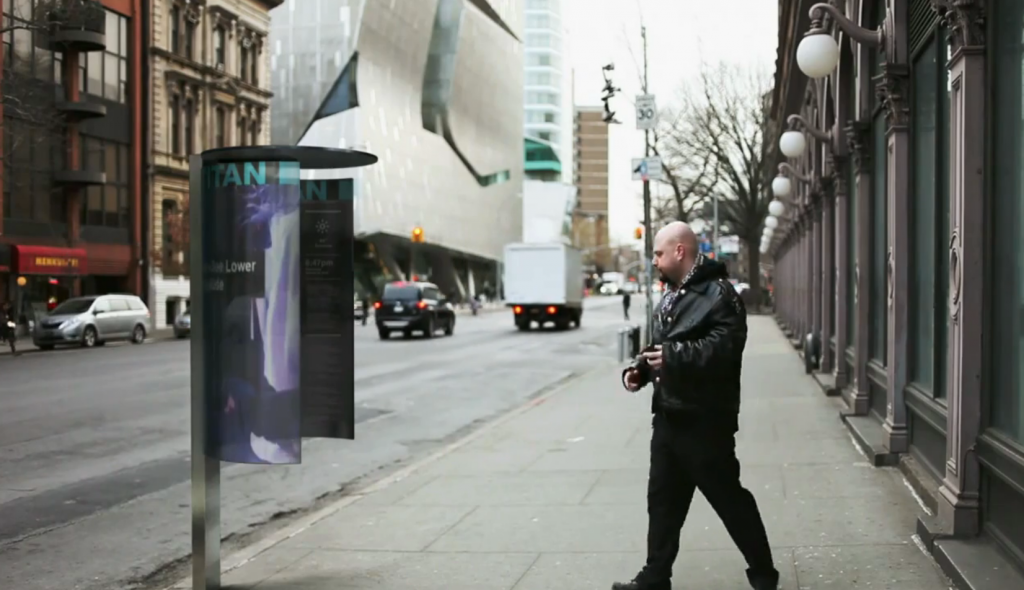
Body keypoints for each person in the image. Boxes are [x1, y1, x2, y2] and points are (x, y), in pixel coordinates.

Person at [615, 221, 777, 590]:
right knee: (662, 502)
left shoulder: (720, 295)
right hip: (669, 418)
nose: (653, 260)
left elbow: (724, 349)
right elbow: (663, 343)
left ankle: (764, 573)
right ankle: (655, 576)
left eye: (658, 253)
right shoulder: (672, 294)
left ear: (679, 251)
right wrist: (639, 370)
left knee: (729, 500)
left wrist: (671, 357)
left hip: (705, 421)